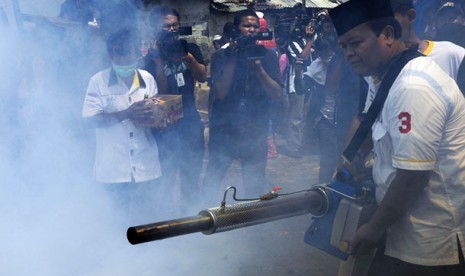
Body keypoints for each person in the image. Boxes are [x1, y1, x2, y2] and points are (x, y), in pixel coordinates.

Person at [329, 0, 465, 275]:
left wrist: (373, 228)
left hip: (429, 243)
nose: (349, 54)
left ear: (388, 35)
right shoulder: (392, 75)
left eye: (356, 43)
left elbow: (412, 177)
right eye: (344, 46)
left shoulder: (412, 86)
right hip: (407, 230)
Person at [203, 9, 284, 202]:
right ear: (236, 29)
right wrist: (234, 56)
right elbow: (220, 92)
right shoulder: (221, 56)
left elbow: (277, 93)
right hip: (225, 130)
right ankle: (204, 216)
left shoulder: (268, 56)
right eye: (247, 26)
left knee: (254, 183)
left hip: (255, 129)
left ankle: (251, 222)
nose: (251, 30)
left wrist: (259, 70)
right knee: (213, 179)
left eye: (255, 26)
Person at [82, 28, 162, 219]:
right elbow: (90, 120)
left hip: (145, 165)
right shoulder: (98, 81)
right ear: (111, 53)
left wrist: (161, 120)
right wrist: (127, 113)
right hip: (113, 168)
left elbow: (155, 117)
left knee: (146, 220)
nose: (126, 59)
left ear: (137, 53)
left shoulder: (147, 79)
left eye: (130, 53)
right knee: (117, 220)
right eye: (121, 53)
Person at [141, 5, 207, 209]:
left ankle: (191, 218)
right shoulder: (149, 59)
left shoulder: (190, 49)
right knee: (166, 179)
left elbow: (202, 76)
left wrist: (186, 57)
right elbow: (161, 91)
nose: (171, 30)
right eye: (166, 27)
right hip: (166, 127)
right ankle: (168, 220)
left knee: (191, 176)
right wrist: (159, 60)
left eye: (175, 26)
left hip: (191, 122)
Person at [281, 5, 315, 158]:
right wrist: (309, 41)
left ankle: (302, 145)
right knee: (296, 117)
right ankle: (293, 147)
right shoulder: (292, 43)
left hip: (310, 83)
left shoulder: (311, 40)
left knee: (306, 116)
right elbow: (303, 58)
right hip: (296, 84)